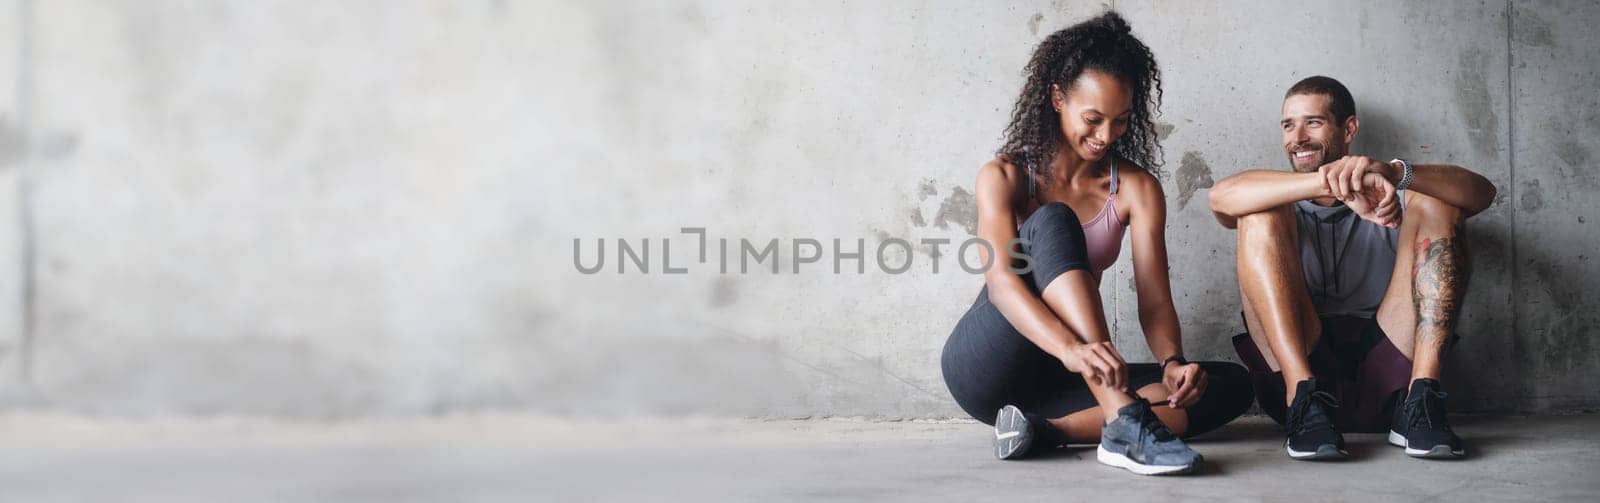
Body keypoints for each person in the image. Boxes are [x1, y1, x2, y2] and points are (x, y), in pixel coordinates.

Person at [939, 11, 1253, 476]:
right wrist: (1070, 348)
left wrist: (1173, 361)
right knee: (1054, 221)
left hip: (1065, 378)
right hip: (990, 362)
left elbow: (1153, 298)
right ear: (1057, 98)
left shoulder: (1136, 188)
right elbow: (1003, 285)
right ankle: (1124, 420)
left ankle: (1049, 430)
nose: (1106, 136)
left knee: (1226, 384)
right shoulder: (1004, 176)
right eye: (1093, 118)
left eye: (1121, 121)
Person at [1209, 76, 1496, 460]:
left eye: (1312, 122)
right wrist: (1324, 184)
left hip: (1390, 373)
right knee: (1257, 215)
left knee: (1438, 204)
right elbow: (1221, 198)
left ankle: (1423, 399)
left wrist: (1393, 173)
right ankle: (1303, 398)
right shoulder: (1278, 198)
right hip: (1301, 370)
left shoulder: (1388, 191)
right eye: (1287, 125)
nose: (1298, 137)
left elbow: (1482, 194)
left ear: (1349, 129)